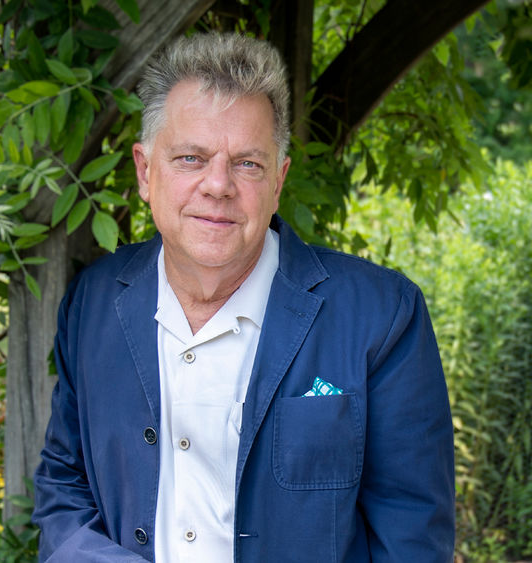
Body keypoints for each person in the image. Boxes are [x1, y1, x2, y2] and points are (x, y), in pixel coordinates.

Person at [31, 32, 455, 562]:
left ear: (278, 181)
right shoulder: (91, 305)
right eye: (190, 157)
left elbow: (412, 536)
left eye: (247, 164)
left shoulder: (382, 316)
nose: (218, 185)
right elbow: (63, 486)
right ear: (145, 172)